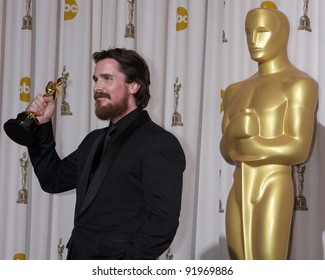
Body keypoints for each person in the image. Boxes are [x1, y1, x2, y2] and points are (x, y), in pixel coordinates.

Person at [26, 47, 186, 260]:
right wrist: (43, 124)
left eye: (107, 79)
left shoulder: (159, 143)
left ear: (134, 86)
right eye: (96, 80)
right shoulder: (94, 140)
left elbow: (162, 223)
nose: (97, 88)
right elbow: (53, 180)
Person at [220, 2, 318, 260]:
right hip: (238, 185)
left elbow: (298, 148)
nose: (253, 40)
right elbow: (226, 151)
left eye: (261, 31)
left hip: (272, 182)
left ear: (281, 35)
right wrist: (236, 132)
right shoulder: (234, 90)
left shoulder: (298, 84)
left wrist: (249, 143)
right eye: (248, 32)